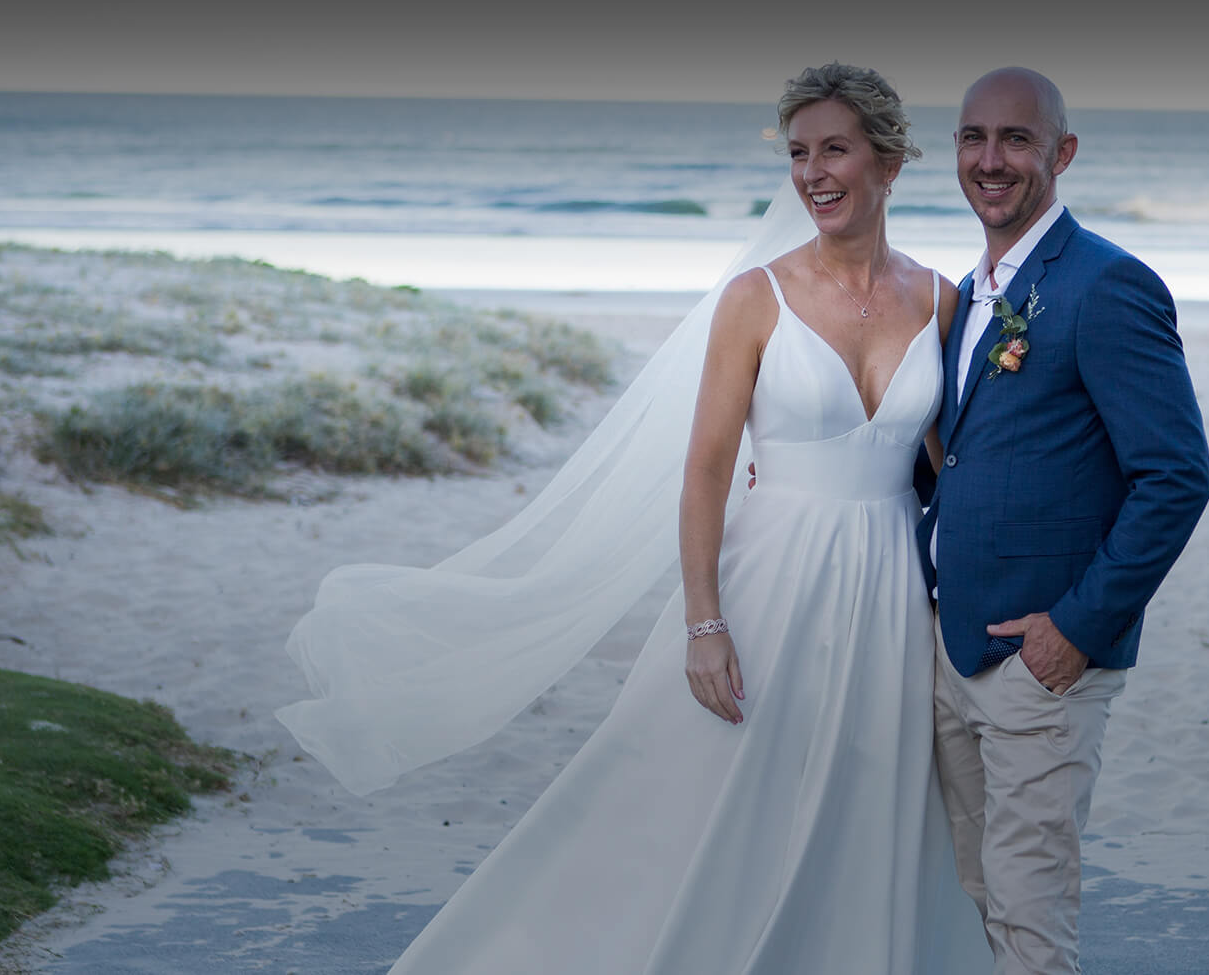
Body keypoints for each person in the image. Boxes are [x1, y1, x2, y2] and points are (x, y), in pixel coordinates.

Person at [276, 62, 993, 973]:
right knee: (703, 803)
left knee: (868, 804)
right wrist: (704, 624)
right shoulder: (757, 298)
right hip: (769, 585)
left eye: (834, 150)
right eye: (798, 153)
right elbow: (705, 469)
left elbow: (956, 467)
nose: (812, 173)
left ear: (888, 163)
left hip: (891, 593)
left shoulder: (940, 300)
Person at [920, 66, 1209, 974]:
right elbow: (962, 457)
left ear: (1063, 152)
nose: (991, 160)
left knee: (1031, 917)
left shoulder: (1107, 285)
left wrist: (1077, 630)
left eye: (1017, 139)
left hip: (1039, 664)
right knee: (977, 899)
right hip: (953, 648)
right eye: (974, 138)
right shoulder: (969, 293)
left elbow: (1176, 476)